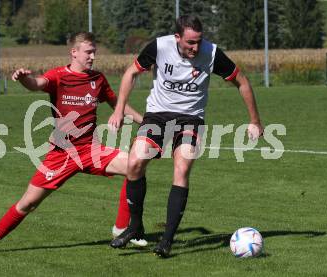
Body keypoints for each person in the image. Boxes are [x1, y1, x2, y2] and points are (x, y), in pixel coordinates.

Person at [0, 32, 146, 256]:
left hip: (90, 150)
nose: (93, 56)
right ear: (74, 52)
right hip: (61, 155)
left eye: (94, 51)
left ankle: (121, 227)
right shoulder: (59, 76)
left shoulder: (97, 79)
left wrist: (146, 122)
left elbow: (119, 105)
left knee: (134, 166)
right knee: (27, 204)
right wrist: (23, 78)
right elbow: (37, 84)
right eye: (88, 51)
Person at [108, 15, 264, 258]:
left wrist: (254, 121)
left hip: (191, 119)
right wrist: (119, 110)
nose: (195, 48)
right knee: (135, 163)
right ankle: (135, 228)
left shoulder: (211, 53)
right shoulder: (159, 47)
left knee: (182, 168)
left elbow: (242, 82)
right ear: (177, 37)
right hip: (158, 116)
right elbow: (130, 74)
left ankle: (166, 240)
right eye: (190, 42)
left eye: (198, 42)